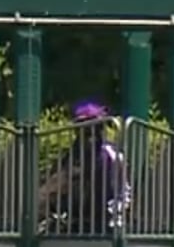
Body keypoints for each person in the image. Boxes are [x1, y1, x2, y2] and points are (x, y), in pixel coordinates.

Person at [37, 99, 130, 237]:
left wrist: (115, 214)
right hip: (72, 222)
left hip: (105, 223)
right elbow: (51, 188)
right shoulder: (69, 157)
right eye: (85, 129)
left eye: (96, 128)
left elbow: (123, 192)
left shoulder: (111, 157)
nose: (90, 135)